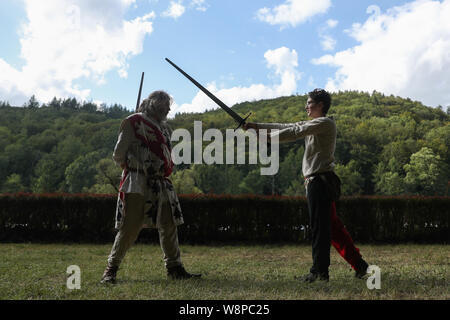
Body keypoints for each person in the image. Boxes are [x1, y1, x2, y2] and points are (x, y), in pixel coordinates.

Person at [244, 88, 369, 283]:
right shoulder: (315, 124)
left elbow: (294, 131)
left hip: (320, 182)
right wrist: (256, 126)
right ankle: (360, 266)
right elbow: (285, 125)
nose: (306, 106)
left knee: (321, 229)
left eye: (309, 103)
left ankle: (319, 272)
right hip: (318, 182)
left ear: (320, 105)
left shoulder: (325, 123)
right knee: (333, 229)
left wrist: (267, 137)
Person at [101, 90, 201, 284]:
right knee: (130, 226)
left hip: (161, 182)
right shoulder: (133, 121)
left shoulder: (164, 129)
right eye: (165, 104)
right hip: (138, 180)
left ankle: (174, 268)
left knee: (168, 224)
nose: (169, 109)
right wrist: (131, 167)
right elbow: (118, 154)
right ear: (155, 103)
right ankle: (111, 269)